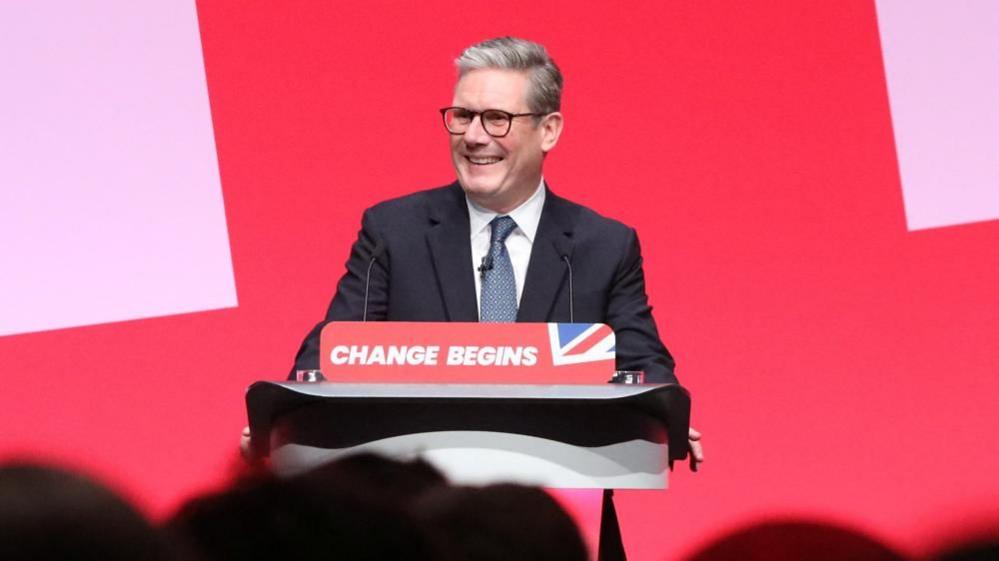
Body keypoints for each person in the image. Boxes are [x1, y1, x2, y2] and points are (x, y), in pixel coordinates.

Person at [282, 36, 703, 467]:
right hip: (419, 502)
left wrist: (664, 415)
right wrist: (286, 417)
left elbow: (642, 361)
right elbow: (335, 350)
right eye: (463, 116)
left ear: (549, 130)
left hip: (555, 494)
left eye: (497, 118)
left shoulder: (604, 245)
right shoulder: (393, 230)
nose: (474, 136)